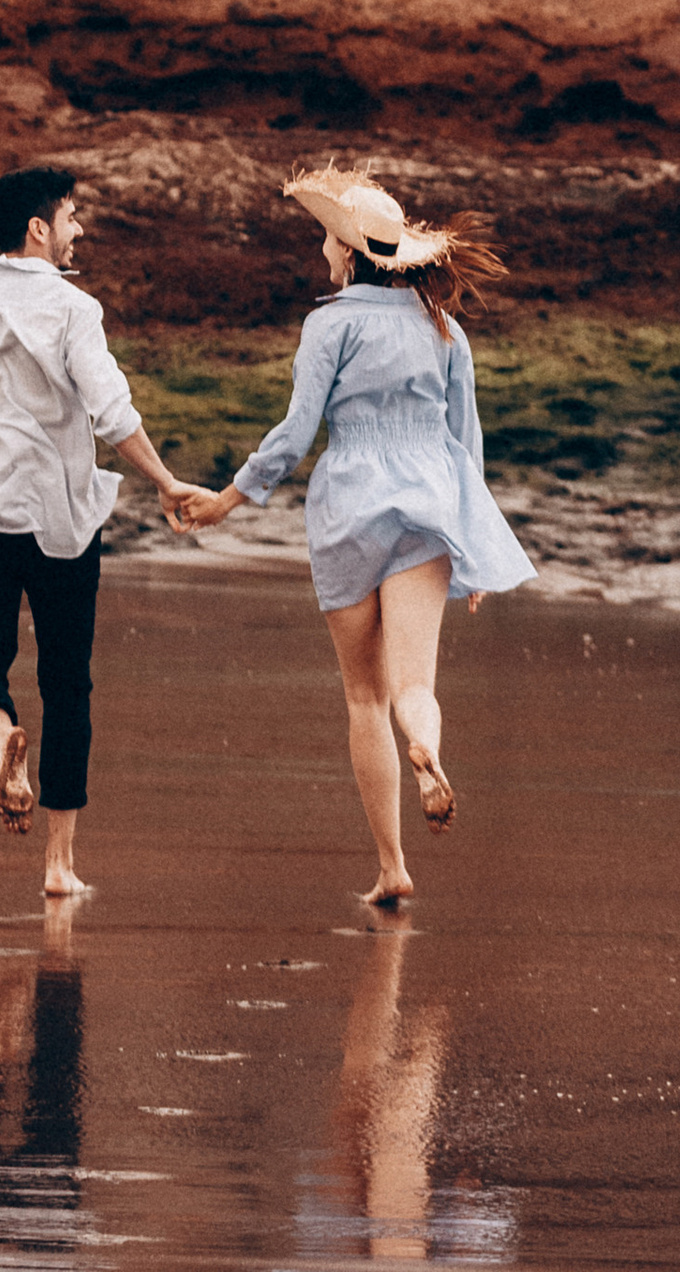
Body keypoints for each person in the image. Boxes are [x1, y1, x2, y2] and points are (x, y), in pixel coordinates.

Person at [177, 166, 532, 907]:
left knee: (362, 699)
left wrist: (229, 501)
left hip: (346, 513)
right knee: (412, 686)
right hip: (430, 509)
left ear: (346, 252)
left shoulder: (329, 325)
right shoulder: (445, 329)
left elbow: (296, 431)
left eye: (326, 241)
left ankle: (392, 867)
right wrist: (477, 553)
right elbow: (467, 445)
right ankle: (426, 749)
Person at [0, 161, 191, 899]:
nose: (79, 230)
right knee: (67, 685)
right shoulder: (73, 310)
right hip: (62, 521)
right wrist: (165, 481)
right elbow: (112, 411)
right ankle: (59, 866)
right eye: (73, 216)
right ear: (38, 228)